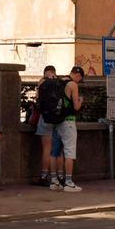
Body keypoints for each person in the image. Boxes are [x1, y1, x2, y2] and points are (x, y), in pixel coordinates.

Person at [50, 65, 84, 193]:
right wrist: (80, 101)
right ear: (78, 75)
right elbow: (75, 107)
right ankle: (69, 183)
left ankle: (54, 181)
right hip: (68, 121)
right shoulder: (73, 85)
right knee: (69, 153)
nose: (79, 81)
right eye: (80, 78)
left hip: (56, 121)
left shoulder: (59, 82)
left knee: (54, 152)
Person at [34, 65, 62, 186]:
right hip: (58, 118)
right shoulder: (59, 82)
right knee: (58, 150)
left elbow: (37, 99)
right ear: (54, 72)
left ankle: (44, 176)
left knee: (47, 149)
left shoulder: (42, 82)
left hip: (45, 118)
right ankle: (59, 176)